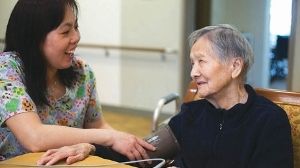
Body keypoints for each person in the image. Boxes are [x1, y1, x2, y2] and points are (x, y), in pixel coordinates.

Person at [0, 0, 155, 165]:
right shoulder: (7, 68)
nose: (76, 37)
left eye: (76, 27)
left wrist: (127, 144)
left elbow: (96, 126)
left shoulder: (81, 71)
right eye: (66, 31)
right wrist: (111, 137)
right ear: (35, 36)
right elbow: (34, 137)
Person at [168, 24, 293, 168]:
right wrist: (135, 146)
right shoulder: (191, 112)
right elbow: (150, 150)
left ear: (235, 66)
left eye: (201, 61)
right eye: (192, 63)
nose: (193, 73)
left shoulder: (269, 121)